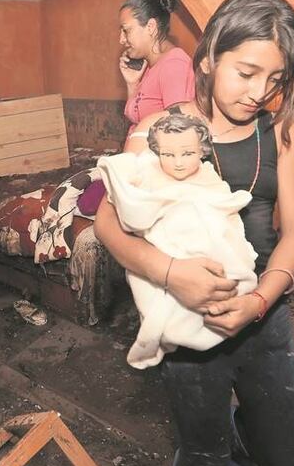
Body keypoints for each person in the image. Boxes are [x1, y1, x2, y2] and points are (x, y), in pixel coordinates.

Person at [94, 0, 294, 466]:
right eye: (246, 72)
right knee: (204, 457)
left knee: (287, 465)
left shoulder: (281, 132)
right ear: (211, 56)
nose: (260, 92)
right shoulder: (162, 131)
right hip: (191, 318)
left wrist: (261, 300)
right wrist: (173, 275)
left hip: (263, 315)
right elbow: (104, 221)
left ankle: (236, 437)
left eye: (276, 79)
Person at [96, 114, 258, 369]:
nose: (179, 163)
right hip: (166, 247)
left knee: (227, 263)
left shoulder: (208, 175)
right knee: (164, 302)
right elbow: (132, 208)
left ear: (202, 150)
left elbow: (225, 209)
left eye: (188, 153)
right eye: (168, 155)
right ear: (157, 151)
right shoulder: (149, 172)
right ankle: (173, 326)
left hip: (207, 242)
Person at [118, 0, 196, 136]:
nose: (121, 40)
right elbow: (136, 119)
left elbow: (178, 130)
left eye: (126, 30)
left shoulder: (174, 65)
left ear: (150, 27)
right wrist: (132, 83)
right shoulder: (150, 66)